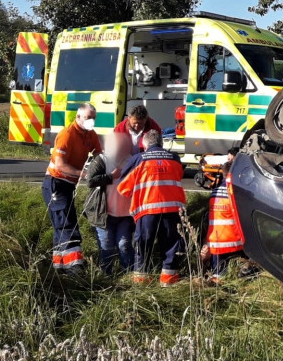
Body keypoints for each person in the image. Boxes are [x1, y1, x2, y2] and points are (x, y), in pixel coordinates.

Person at [117, 130, 187, 285]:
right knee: (171, 247)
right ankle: (169, 284)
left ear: (144, 143)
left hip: (147, 211)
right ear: (161, 142)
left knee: (144, 248)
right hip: (173, 211)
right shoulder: (175, 158)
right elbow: (179, 175)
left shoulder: (138, 160)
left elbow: (123, 188)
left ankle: (142, 285)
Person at [43, 103, 102, 273]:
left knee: (60, 225)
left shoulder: (90, 134)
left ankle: (60, 266)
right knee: (67, 224)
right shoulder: (67, 135)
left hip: (68, 185)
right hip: (56, 182)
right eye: (88, 117)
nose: (91, 121)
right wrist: (84, 174)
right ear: (78, 117)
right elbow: (60, 165)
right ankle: (75, 266)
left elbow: (98, 154)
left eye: (93, 118)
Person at [84, 134, 135, 275]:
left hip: (125, 215)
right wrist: (111, 177)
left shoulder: (132, 161)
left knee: (124, 245)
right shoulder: (102, 160)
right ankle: (106, 276)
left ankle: (129, 276)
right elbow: (90, 181)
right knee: (107, 246)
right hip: (103, 214)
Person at [205, 159, 245, 283]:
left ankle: (217, 296)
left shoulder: (214, 193)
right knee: (239, 275)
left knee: (218, 277)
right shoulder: (235, 193)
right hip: (234, 242)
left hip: (216, 243)